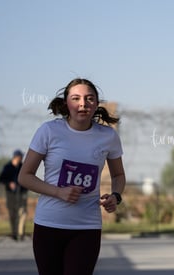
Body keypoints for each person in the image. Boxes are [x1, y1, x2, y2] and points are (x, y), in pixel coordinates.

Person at [18, 78, 126, 275]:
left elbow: (118, 175)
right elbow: (24, 176)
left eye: (89, 98)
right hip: (49, 225)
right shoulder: (49, 131)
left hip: (86, 226)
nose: (83, 104)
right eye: (76, 98)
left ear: (96, 104)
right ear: (66, 103)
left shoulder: (108, 136)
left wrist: (115, 196)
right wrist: (58, 192)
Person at [0, 149, 27, 241]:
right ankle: (14, 233)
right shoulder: (7, 167)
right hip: (10, 194)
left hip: (21, 193)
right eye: (20, 156)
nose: (21, 158)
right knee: (12, 214)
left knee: (22, 212)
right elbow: (2, 179)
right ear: (16, 157)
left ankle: (21, 233)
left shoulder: (22, 167)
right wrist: (9, 183)